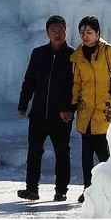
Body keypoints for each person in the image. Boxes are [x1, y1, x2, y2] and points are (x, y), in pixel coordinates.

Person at [70, 15, 111, 203]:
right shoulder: (78, 55)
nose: (85, 36)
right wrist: (72, 105)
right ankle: (88, 190)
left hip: (105, 111)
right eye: (82, 32)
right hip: (86, 112)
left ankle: (110, 189)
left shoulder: (108, 51)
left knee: (104, 153)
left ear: (97, 33)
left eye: (88, 32)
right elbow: (77, 83)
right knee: (86, 155)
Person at [16, 15, 75, 201]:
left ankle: (61, 190)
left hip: (61, 115)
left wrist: (69, 109)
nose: (57, 34)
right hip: (39, 113)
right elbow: (30, 80)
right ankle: (32, 189)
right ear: (47, 33)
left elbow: (76, 86)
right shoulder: (38, 53)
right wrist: (24, 102)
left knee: (62, 153)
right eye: (53, 30)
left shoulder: (74, 56)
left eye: (60, 30)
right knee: (34, 151)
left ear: (66, 31)